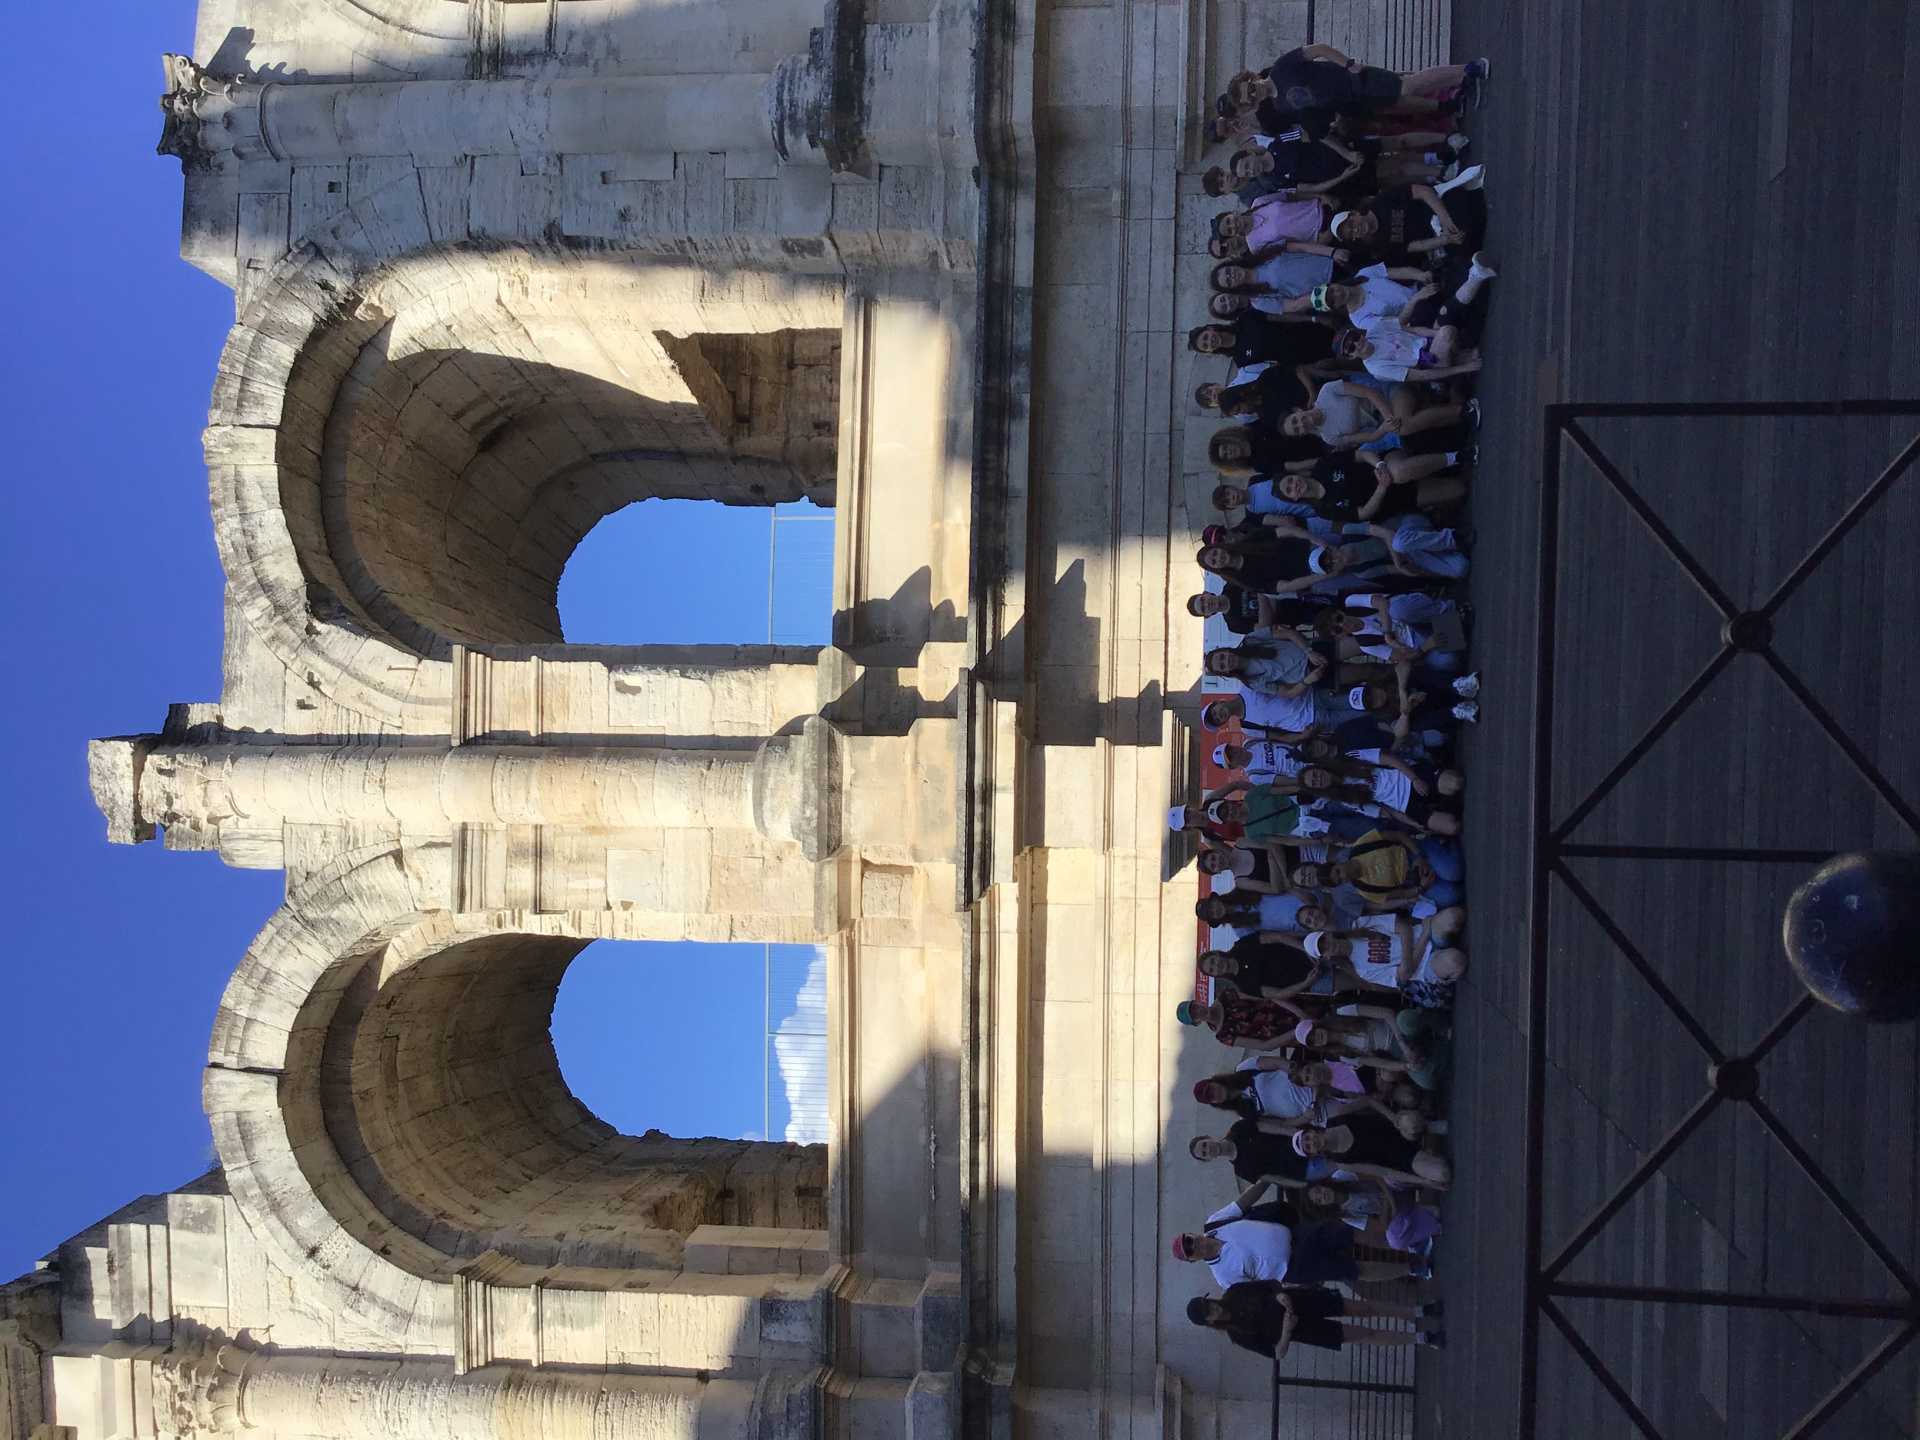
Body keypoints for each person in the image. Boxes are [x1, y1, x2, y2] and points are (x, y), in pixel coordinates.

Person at [1187, 1283, 1440, 1356]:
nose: (1214, 1309)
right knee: (1363, 1334)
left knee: (1363, 1307)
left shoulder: (1234, 1292)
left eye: (1209, 1304)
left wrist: (1280, 1296)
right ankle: (1421, 1338)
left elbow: (1270, 1284)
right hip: (1303, 1330)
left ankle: (1417, 1311)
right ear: (1210, 1322)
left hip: (1301, 1301)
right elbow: (1276, 1353)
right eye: (1208, 1312)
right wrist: (1286, 1331)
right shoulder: (1238, 1334)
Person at [1303, 913, 1468, 993]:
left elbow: (1403, 928)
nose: (1327, 945)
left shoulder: (1360, 925)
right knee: (1455, 960)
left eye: (1323, 940)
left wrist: (1409, 955)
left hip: (1421, 933)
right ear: (1326, 957)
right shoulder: (1361, 971)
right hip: (1424, 964)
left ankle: (1448, 941)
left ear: (1328, 934)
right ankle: (1447, 966)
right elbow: (1405, 974)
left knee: (1455, 916)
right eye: (1322, 949)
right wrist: (1424, 936)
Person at [1292, 1108, 1451, 1188]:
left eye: (1307, 1138)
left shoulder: (1335, 1116)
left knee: (1412, 1122)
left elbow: (1369, 1101)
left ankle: (1429, 1127)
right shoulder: (1342, 1162)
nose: (1312, 1142)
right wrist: (1424, 1181)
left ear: (1311, 1131)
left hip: (1398, 1129)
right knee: (1444, 1174)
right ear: (1314, 1153)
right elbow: (1383, 1172)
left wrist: (1394, 1118)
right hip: (1403, 1157)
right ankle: (1428, 1154)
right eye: (1308, 1147)